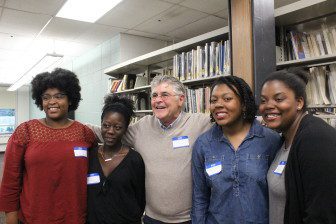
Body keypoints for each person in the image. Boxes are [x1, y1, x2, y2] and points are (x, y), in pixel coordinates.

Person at [0, 68, 96, 224]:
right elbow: (11, 179)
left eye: (59, 96)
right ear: (40, 101)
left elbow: (94, 174)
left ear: (70, 99)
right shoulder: (25, 131)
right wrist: (11, 216)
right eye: (46, 97)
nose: (52, 101)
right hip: (33, 217)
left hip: (75, 217)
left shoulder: (84, 133)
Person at [120, 75, 212, 224]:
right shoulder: (142, 126)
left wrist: (264, 122)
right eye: (154, 95)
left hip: (189, 219)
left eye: (165, 95)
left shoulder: (200, 123)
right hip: (152, 218)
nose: (157, 100)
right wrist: (74, 128)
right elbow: (110, 133)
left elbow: (237, 122)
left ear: (181, 99)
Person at [191, 76, 281, 224]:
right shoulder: (203, 144)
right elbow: (200, 197)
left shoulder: (270, 140)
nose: (218, 105)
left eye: (227, 99)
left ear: (244, 104)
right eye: (213, 100)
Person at [259, 68, 336, 224]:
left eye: (279, 99)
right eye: (263, 100)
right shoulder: (284, 138)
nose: (268, 106)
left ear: (299, 103)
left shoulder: (315, 139)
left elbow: (322, 214)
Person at [87, 94, 145, 224]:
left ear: (125, 129)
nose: (110, 131)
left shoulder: (134, 160)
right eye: (106, 125)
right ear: (101, 124)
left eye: (117, 127)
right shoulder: (90, 156)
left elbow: (140, 199)